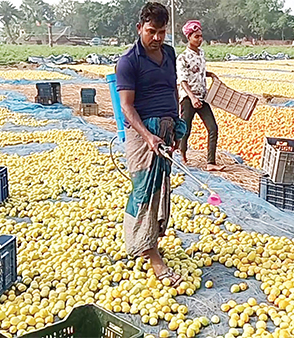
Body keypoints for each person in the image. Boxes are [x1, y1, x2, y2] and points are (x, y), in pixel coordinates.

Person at [116, 2, 186, 287]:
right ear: (139, 28)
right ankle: (149, 251)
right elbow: (126, 108)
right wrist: (149, 136)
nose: (156, 38)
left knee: (161, 189)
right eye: (151, 31)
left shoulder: (169, 53)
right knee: (145, 190)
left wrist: (178, 128)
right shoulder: (129, 61)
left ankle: (148, 241)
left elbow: (172, 89)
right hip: (143, 132)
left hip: (166, 130)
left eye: (161, 32)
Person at [177, 20, 225, 171]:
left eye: (201, 36)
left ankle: (211, 162)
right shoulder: (182, 58)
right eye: (196, 36)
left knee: (213, 128)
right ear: (189, 37)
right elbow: (183, 80)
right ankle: (182, 155)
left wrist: (211, 74)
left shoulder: (201, 53)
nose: (199, 39)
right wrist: (192, 97)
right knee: (186, 129)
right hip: (188, 98)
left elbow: (199, 72)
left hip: (202, 97)